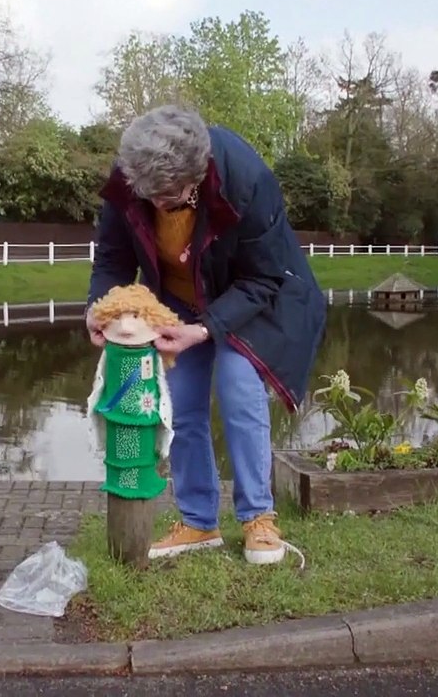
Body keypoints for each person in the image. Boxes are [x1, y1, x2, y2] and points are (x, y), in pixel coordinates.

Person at [85, 105, 327, 565]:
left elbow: (263, 277)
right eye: (150, 196)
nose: (160, 205)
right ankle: (198, 521)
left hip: (249, 296)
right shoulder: (130, 179)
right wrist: (99, 310)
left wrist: (205, 329)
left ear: (198, 175)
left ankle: (258, 517)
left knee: (239, 387)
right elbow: (113, 258)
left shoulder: (245, 177)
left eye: (172, 198)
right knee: (179, 401)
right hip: (176, 298)